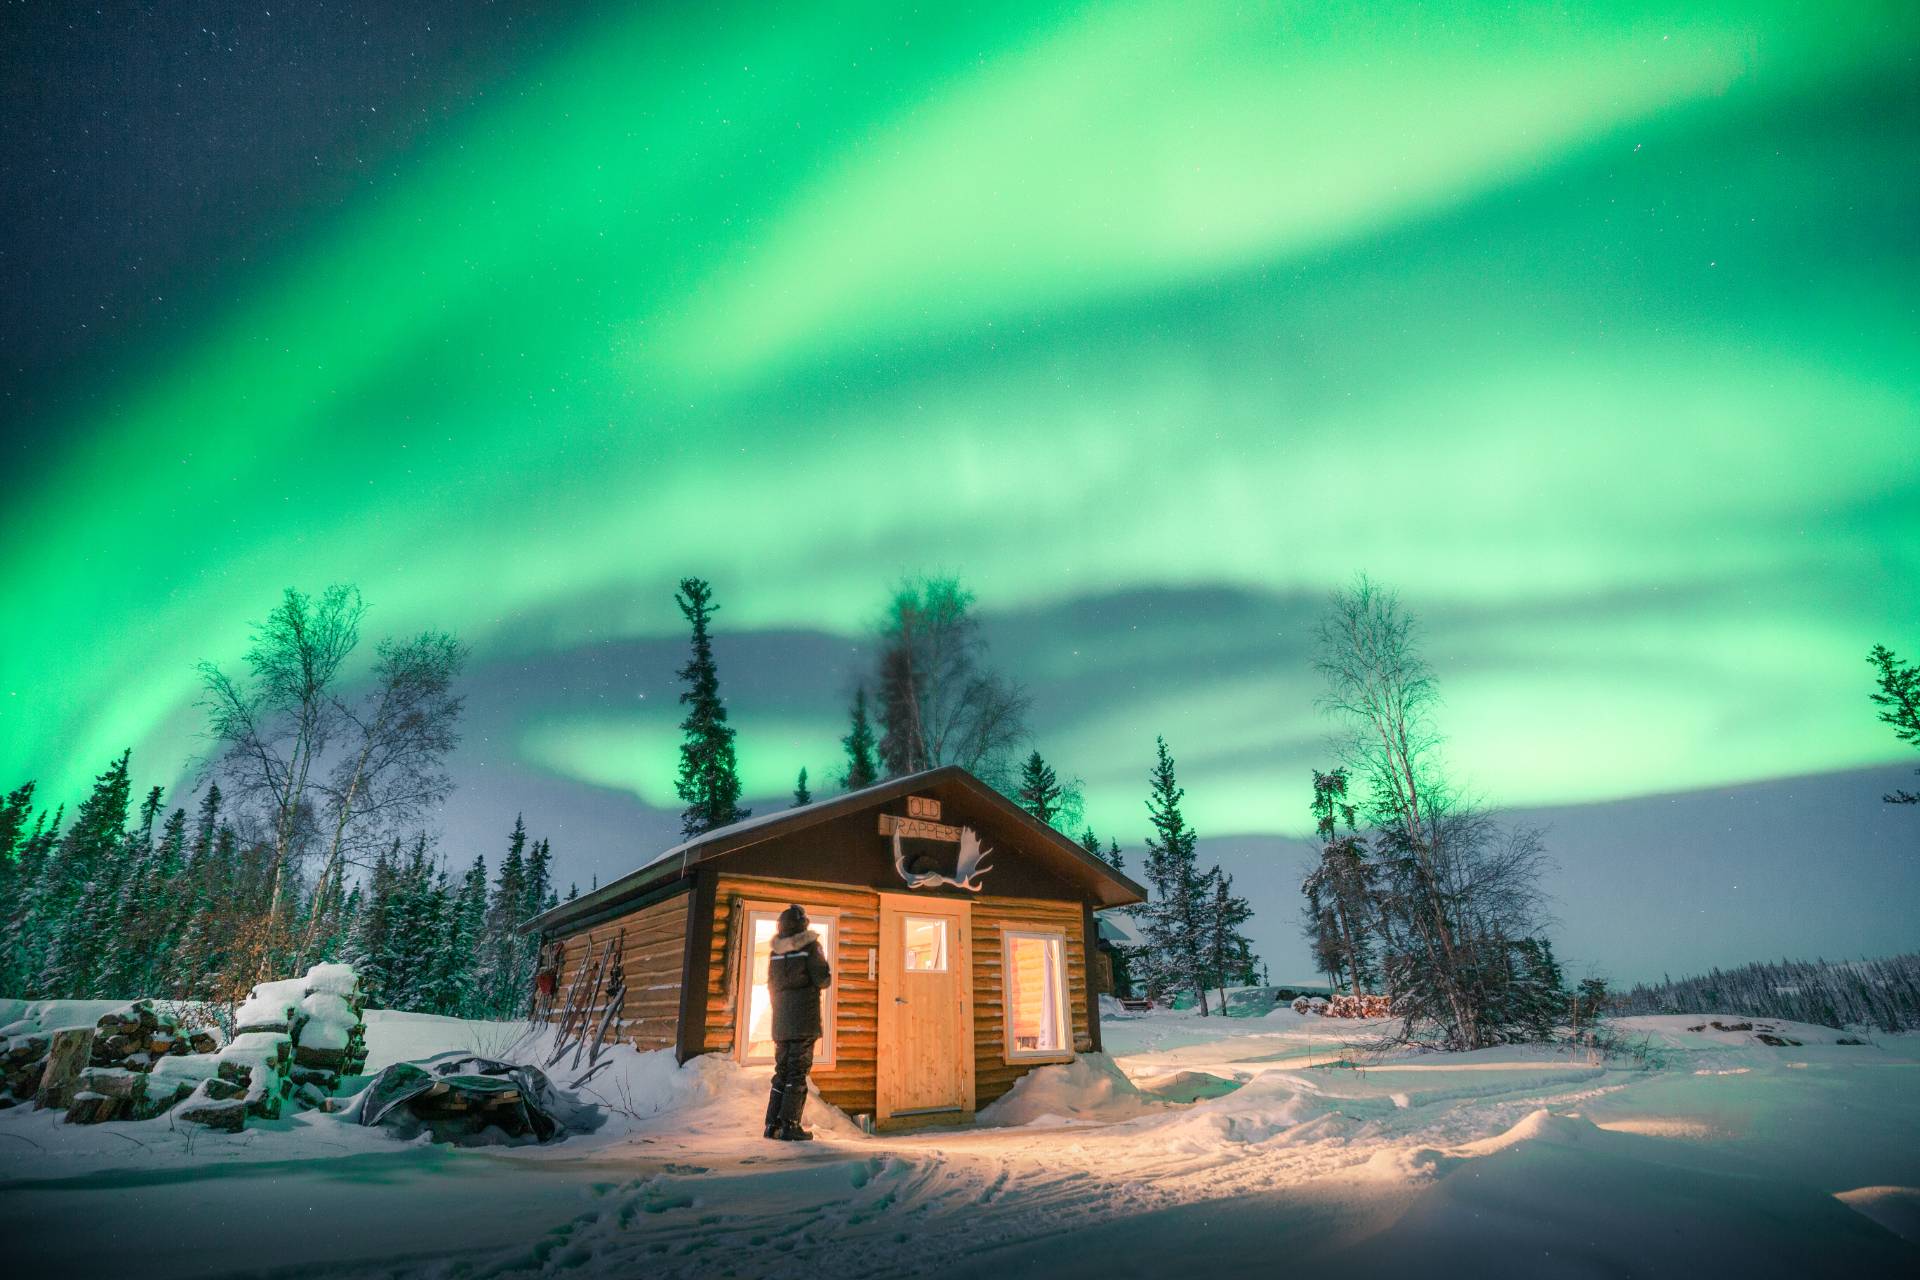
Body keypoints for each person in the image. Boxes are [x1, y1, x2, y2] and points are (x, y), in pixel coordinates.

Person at [764, 903, 832, 1140]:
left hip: (781, 1021)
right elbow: (823, 979)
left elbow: (771, 984)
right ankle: (790, 1125)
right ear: (803, 924)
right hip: (803, 1020)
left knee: (781, 1071)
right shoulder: (811, 947)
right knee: (797, 1072)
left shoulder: (776, 952)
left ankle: (772, 1124)